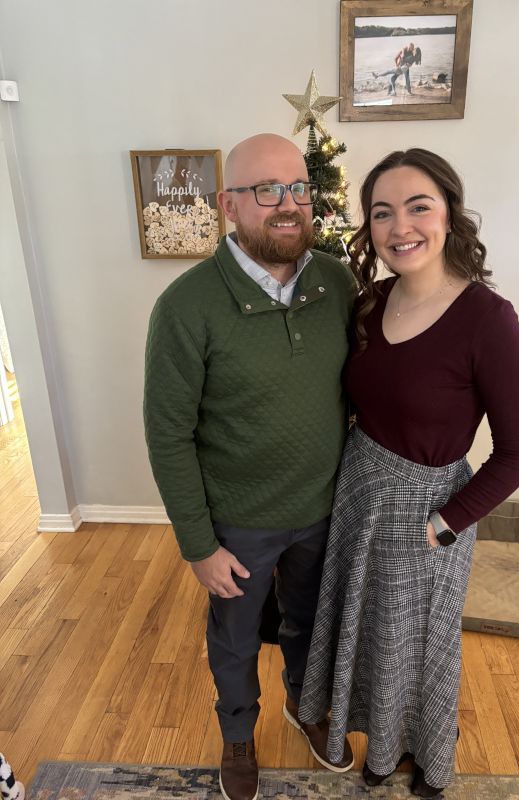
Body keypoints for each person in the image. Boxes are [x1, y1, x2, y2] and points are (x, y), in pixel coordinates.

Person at [299, 148, 519, 797]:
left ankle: (424, 755)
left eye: (418, 207)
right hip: (360, 495)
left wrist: (446, 522)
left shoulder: (489, 320)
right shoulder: (372, 301)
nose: (400, 227)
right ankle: (380, 744)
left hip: (427, 514)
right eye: (382, 212)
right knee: (371, 633)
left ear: (449, 215)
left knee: (418, 645)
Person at [144, 133, 355, 800]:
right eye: (267, 190)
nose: (288, 204)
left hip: (323, 510)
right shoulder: (186, 306)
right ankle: (237, 733)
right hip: (238, 524)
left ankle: (305, 704)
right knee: (235, 642)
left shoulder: (337, 282)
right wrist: (198, 545)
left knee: (309, 624)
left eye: (298, 187)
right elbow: (168, 434)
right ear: (228, 205)